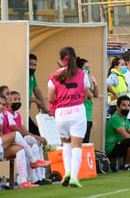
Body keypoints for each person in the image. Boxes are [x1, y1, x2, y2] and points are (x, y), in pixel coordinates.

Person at [0, 93, 50, 189]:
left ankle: (23, 182)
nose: (1, 107)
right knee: (16, 134)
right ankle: (33, 160)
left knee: (20, 149)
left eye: (3, 105)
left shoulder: (0, 115)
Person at [47, 46, 90, 187]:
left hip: (61, 114)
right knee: (76, 146)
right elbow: (86, 96)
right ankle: (74, 178)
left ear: (60, 61)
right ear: (75, 58)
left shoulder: (53, 76)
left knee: (65, 144)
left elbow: (50, 98)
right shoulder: (82, 74)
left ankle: (67, 172)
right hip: (77, 111)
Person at [3, 91, 51, 185]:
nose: (17, 101)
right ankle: (34, 179)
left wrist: (38, 137)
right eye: (14, 99)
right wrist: (34, 137)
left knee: (37, 145)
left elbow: (24, 131)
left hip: (18, 141)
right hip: (11, 142)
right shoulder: (7, 114)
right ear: (8, 102)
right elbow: (15, 129)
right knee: (30, 147)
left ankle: (41, 177)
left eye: (19, 99)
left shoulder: (17, 115)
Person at [105, 96, 130, 171]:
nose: (126, 108)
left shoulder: (124, 118)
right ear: (117, 107)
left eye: (128, 106)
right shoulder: (115, 118)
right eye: (124, 105)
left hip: (121, 144)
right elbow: (124, 135)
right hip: (113, 147)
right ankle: (127, 165)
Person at [76, 57, 98, 143]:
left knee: (86, 140)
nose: (88, 70)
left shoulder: (87, 80)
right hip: (82, 114)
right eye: (86, 68)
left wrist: (95, 84)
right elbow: (90, 95)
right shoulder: (79, 80)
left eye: (89, 67)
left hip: (88, 114)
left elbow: (95, 94)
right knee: (82, 141)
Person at [29, 53, 51, 135]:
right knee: (35, 133)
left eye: (34, 65)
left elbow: (37, 90)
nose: (32, 67)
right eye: (30, 64)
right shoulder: (23, 75)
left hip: (25, 112)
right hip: (18, 113)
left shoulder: (32, 76)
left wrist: (45, 108)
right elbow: (21, 97)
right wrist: (35, 100)